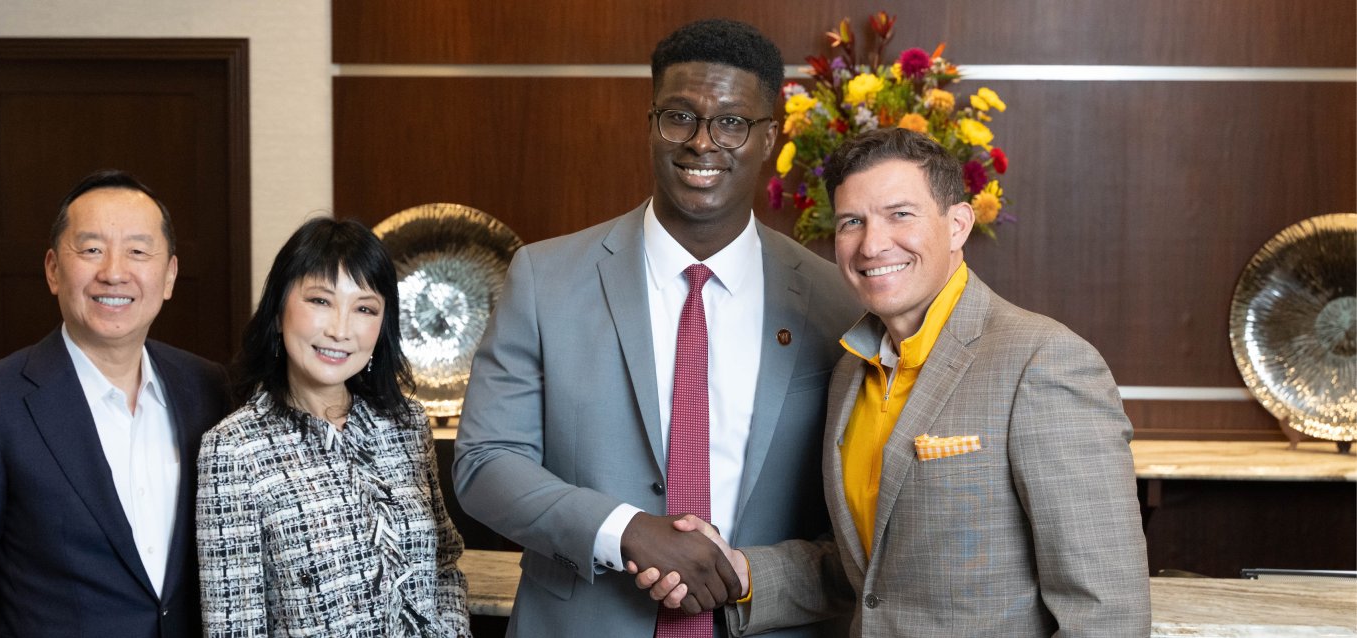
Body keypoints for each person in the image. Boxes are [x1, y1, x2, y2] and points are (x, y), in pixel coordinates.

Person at [640, 127, 1151, 637]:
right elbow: (872, 574)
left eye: (900, 214)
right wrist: (740, 570)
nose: (872, 244)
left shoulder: (1043, 362)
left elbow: (1106, 611)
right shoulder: (850, 372)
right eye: (852, 222)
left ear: (957, 224)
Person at [452, 18, 857, 637]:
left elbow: (857, 511)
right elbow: (485, 462)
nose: (702, 142)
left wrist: (750, 573)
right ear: (650, 123)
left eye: (731, 122)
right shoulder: (544, 277)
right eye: (679, 116)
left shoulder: (834, 300)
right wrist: (625, 530)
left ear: (768, 137)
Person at [0, 170, 232, 637]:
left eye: (138, 251)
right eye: (92, 249)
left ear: (169, 276)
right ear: (53, 270)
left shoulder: (207, 388)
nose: (114, 272)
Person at [196, 218, 469, 637]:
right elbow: (234, 627)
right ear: (278, 308)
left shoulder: (407, 424)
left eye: (364, 308)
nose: (340, 330)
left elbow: (445, 565)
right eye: (321, 301)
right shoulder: (233, 450)